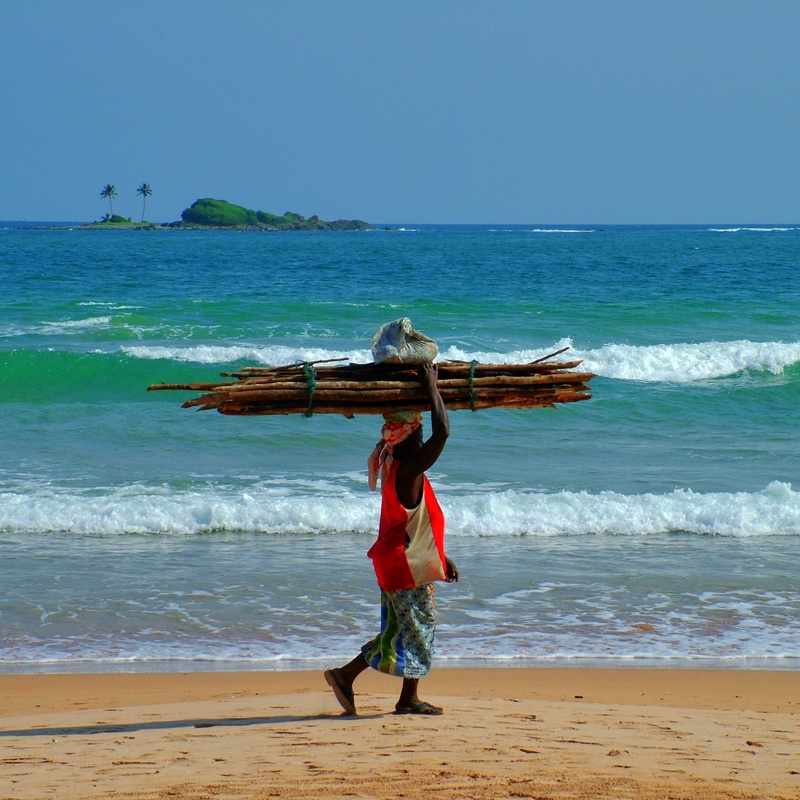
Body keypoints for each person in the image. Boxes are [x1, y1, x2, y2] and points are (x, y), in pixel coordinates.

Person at [324, 363, 458, 715]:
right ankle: (374, 685)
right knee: (419, 629)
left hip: (399, 561)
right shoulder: (409, 470)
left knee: (402, 629)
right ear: (411, 435)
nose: (423, 440)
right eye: (418, 433)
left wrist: (442, 558)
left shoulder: (394, 466)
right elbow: (443, 434)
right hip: (403, 567)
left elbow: (416, 521)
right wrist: (432, 387)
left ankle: (356, 679)